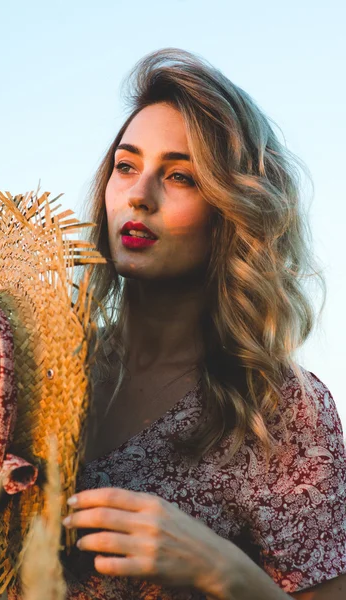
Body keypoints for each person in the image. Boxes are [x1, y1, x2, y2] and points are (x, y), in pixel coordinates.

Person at [60, 48, 346, 600]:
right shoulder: (43, 364)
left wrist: (221, 571)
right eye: (126, 166)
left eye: (180, 177)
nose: (138, 196)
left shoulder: (278, 409)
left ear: (230, 209)